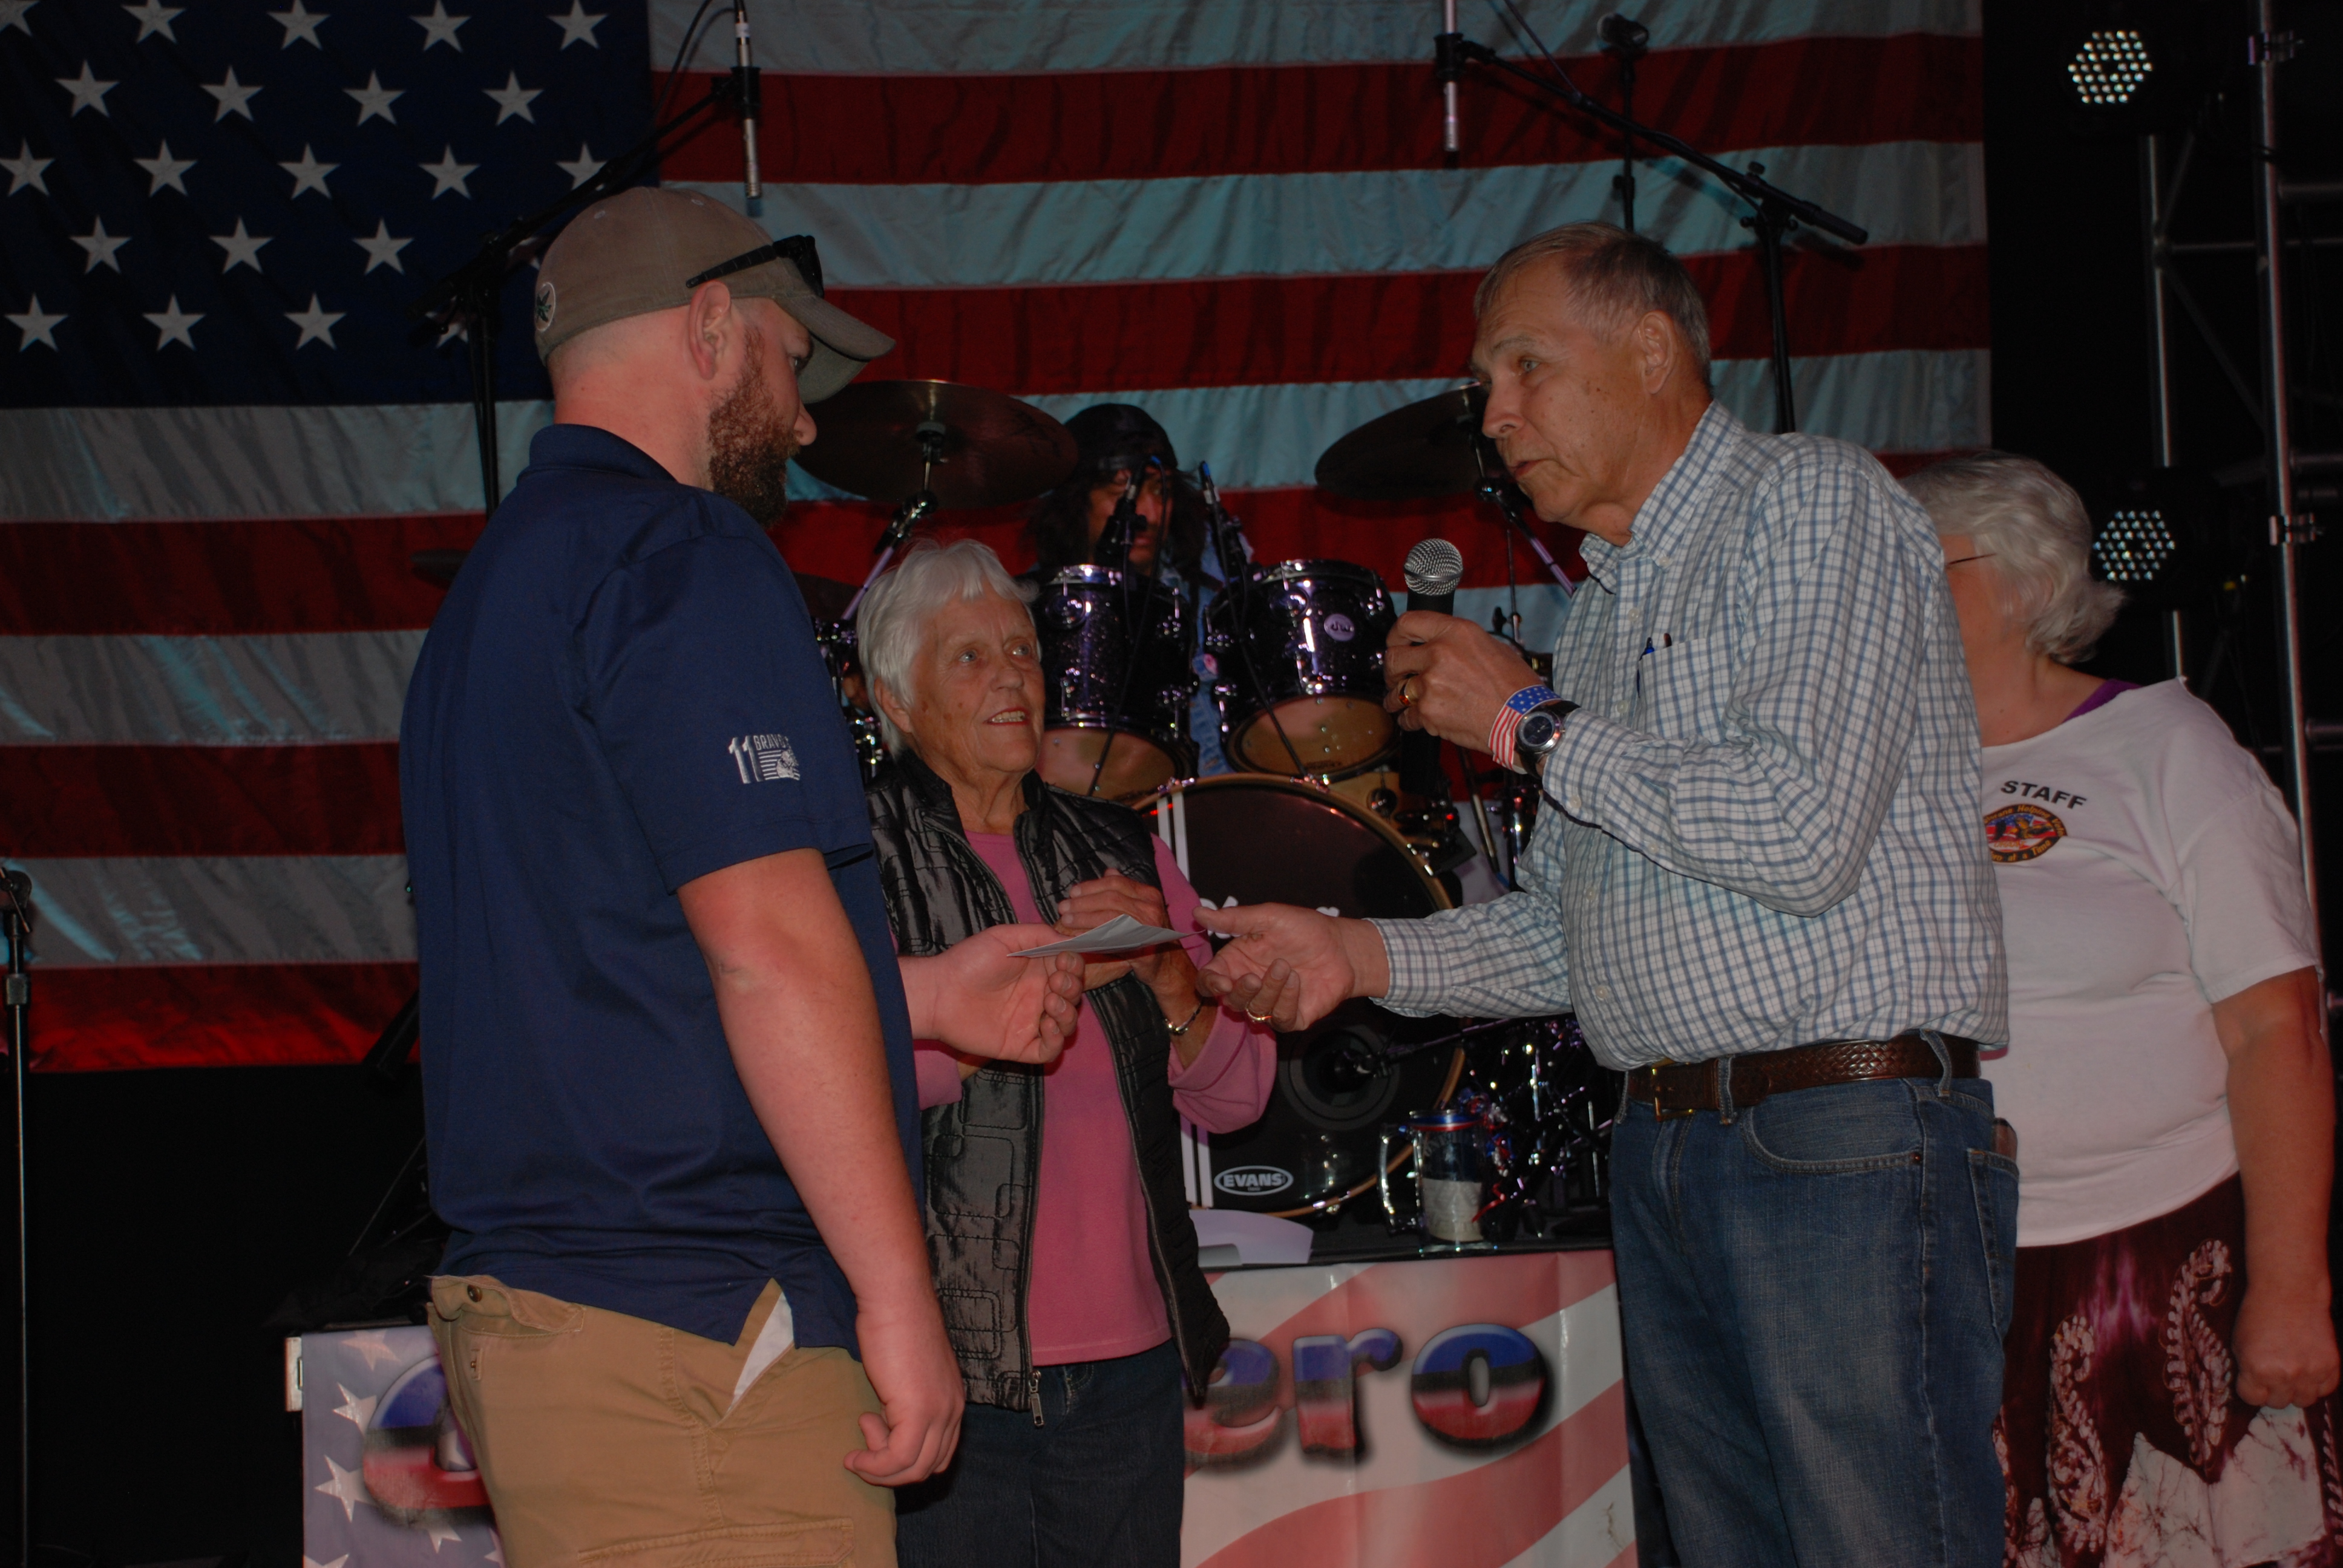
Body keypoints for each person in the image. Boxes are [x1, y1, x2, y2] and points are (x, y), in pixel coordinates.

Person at [1192, 221, 2012, 1567]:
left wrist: (1528, 725)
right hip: (1668, 1144)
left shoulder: (1808, 501)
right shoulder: (1599, 617)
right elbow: (1569, 940)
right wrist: (1353, 955)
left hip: (1843, 1132)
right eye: (1485, 382)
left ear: (1650, 351)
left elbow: (1798, 827)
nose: (1492, 414)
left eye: (1526, 366)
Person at [400, 188, 1084, 1568]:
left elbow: (618, 962)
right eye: (789, 358)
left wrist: (917, 997)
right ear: (711, 328)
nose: (809, 422)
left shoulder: (493, 596)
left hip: (556, 1311)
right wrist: (898, 1293)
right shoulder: (680, 550)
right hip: (699, 1330)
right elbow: (765, 946)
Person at [1904, 452, 2339, 1565]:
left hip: (2163, 1256)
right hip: (1955, 1271)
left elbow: (2276, 1029)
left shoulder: (2166, 747)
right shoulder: (1885, 779)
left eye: (1919, 563)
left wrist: (2292, 1288)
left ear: (2024, 581)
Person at [853, 539, 1275, 1568]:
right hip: (940, 1369)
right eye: (969, 657)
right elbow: (813, 1086)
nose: (1012, 677)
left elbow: (1236, 1099)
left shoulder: (1122, 848)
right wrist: (975, 1036)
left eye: (1023, 650)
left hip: (1129, 1369)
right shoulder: (852, 860)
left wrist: (1168, 973)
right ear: (896, 700)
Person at [1026, 403, 1247, 782]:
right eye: (1124, 490)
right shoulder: (1028, 609)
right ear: (1076, 500)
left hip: (1213, 802)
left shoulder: (1214, 595)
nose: (1150, 513)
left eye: (1161, 491)